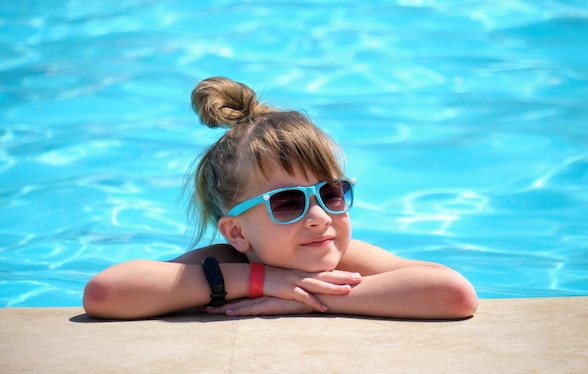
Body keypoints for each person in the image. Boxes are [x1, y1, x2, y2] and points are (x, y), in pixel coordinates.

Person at [83, 76, 478, 320]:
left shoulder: (348, 259)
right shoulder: (226, 261)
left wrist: (309, 298)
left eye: (330, 193)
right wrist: (263, 280)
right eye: (288, 202)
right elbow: (106, 292)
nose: (320, 216)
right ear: (237, 231)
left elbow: (453, 293)